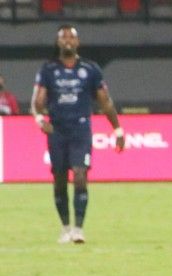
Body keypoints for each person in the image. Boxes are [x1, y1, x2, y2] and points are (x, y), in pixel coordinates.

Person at [31, 24, 124, 244]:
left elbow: (105, 102)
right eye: (63, 38)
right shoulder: (48, 70)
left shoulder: (90, 69)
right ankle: (65, 228)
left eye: (71, 38)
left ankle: (78, 229)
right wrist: (39, 119)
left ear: (77, 42)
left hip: (81, 129)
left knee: (81, 175)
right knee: (60, 179)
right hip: (57, 130)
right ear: (58, 43)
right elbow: (37, 102)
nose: (67, 41)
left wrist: (118, 129)